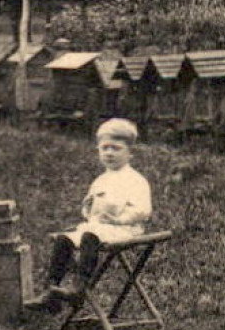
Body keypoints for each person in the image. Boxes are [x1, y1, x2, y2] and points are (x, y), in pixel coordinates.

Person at [35, 118, 153, 311]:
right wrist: (88, 208)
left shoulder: (135, 180)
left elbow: (142, 210)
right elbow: (90, 212)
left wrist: (120, 219)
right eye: (104, 148)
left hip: (124, 229)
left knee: (90, 236)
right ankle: (51, 290)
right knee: (64, 239)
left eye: (116, 148)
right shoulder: (100, 180)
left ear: (130, 152)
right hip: (100, 227)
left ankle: (79, 289)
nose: (109, 153)